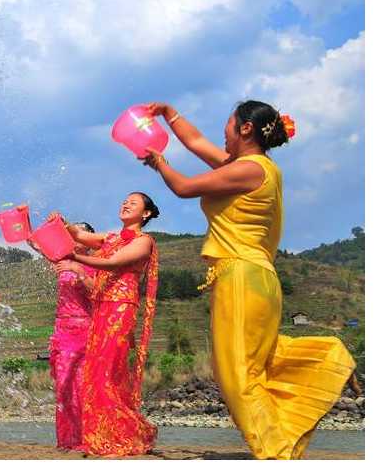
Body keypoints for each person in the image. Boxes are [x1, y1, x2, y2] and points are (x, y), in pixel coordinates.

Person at [142, 100, 355, 459]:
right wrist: (168, 114)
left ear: (245, 129)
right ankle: (287, 428)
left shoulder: (250, 170)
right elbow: (195, 143)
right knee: (255, 364)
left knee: (238, 375)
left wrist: (159, 162)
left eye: (227, 124)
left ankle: (274, 452)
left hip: (242, 275)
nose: (221, 133)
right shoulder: (253, 167)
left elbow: (182, 187)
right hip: (250, 276)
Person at [48, 192, 160, 456]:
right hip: (101, 308)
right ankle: (106, 437)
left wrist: (74, 259)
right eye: (124, 201)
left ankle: (123, 436)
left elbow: (111, 263)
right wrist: (62, 223)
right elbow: (79, 236)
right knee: (97, 373)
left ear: (145, 214)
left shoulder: (144, 241)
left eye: (133, 203)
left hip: (121, 308)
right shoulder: (111, 238)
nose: (125, 204)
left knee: (107, 371)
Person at [29, 221, 96, 450]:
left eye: (78, 232)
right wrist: (26, 218)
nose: (73, 236)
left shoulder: (95, 263)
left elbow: (98, 291)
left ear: (89, 240)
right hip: (62, 329)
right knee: (64, 383)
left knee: (81, 384)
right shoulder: (61, 260)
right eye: (70, 232)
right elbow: (34, 242)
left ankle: (87, 437)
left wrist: (78, 270)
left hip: (84, 328)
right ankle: (67, 438)